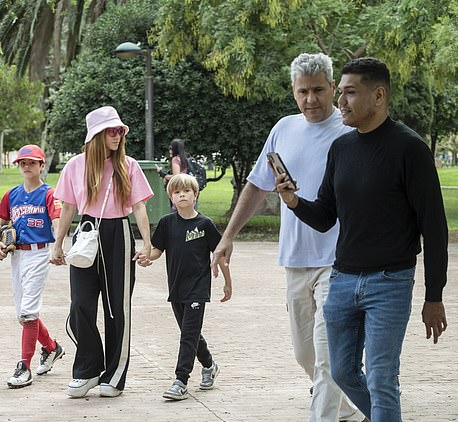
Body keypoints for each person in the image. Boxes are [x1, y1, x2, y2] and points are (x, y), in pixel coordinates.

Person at [275, 57, 448, 421]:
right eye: (341, 93)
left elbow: (434, 228)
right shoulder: (342, 148)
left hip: (390, 282)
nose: (341, 103)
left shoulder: (410, 149)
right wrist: (292, 201)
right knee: (341, 372)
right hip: (342, 279)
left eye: (351, 93)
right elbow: (324, 216)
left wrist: (434, 297)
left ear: (379, 95)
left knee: (383, 379)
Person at [212, 53, 364, 421]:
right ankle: (352, 408)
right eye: (302, 92)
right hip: (295, 260)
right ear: (293, 92)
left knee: (328, 356)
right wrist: (228, 236)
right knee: (304, 354)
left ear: (332, 88)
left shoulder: (350, 133)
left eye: (317, 90)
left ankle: (324, 415)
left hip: (338, 261)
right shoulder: (283, 128)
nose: (310, 99)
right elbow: (257, 185)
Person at [50, 105, 153, 398]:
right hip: (85, 233)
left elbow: (139, 207)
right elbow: (68, 206)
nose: (118, 135)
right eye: (112, 130)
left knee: (116, 308)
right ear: (96, 135)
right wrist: (58, 244)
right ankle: (87, 370)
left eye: (120, 130)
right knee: (80, 305)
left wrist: (147, 243)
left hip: (117, 233)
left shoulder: (128, 165)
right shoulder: (74, 166)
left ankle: (115, 375)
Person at [137, 173, 232, 401]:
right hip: (176, 288)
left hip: (198, 289)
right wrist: (145, 256)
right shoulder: (167, 224)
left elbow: (219, 255)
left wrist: (228, 283)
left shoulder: (205, 224)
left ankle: (181, 380)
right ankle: (209, 365)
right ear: (171, 197)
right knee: (191, 333)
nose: (182, 195)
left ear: (195, 194)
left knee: (187, 336)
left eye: (186, 191)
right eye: (177, 192)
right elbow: (157, 251)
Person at [0, 144, 65, 389]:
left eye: (32, 162)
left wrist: (58, 246)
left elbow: (57, 219)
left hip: (39, 253)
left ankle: (25, 366)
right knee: (24, 315)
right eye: (23, 162)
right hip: (18, 256)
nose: (26, 166)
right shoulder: (12, 194)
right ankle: (52, 348)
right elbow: (3, 224)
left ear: (42, 165)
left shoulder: (49, 193)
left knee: (28, 312)